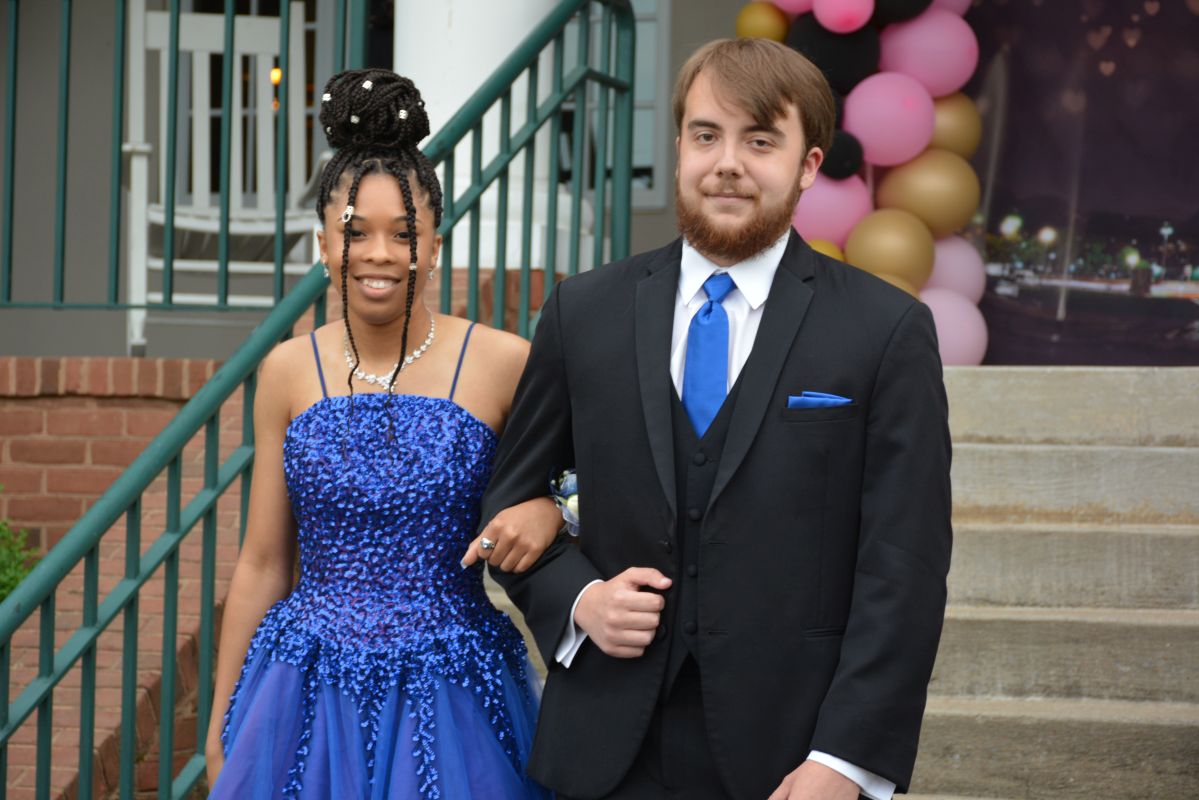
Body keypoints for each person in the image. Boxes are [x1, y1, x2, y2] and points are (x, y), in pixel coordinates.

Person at [482, 38, 952, 800]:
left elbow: (905, 567)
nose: (727, 163)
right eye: (706, 135)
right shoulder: (583, 312)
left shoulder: (884, 330)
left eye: (760, 141)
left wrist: (846, 759)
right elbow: (510, 501)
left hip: (791, 757)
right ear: (679, 148)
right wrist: (579, 601)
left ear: (808, 165)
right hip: (603, 750)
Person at [204, 68, 562, 799]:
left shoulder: (503, 363)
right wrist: (221, 723)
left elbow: (579, 486)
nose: (379, 253)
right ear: (321, 245)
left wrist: (553, 509)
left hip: (454, 690)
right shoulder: (286, 371)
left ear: (435, 245)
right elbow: (264, 563)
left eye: (404, 233)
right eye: (354, 233)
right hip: (306, 687)